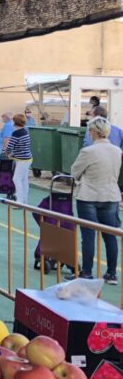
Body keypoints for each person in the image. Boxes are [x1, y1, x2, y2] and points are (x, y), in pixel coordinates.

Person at [71, 117, 122, 284]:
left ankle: (86, 272)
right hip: (110, 195)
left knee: (88, 235)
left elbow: (75, 171)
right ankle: (112, 273)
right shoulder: (117, 151)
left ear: (94, 131)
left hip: (89, 195)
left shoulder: (88, 151)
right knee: (110, 235)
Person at [6, 113, 33, 205]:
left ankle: (19, 201)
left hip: (21, 159)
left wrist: (8, 153)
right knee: (24, 180)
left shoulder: (16, 133)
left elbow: (10, 146)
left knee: (16, 179)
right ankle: (24, 200)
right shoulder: (25, 131)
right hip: (28, 158)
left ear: (14, 122)